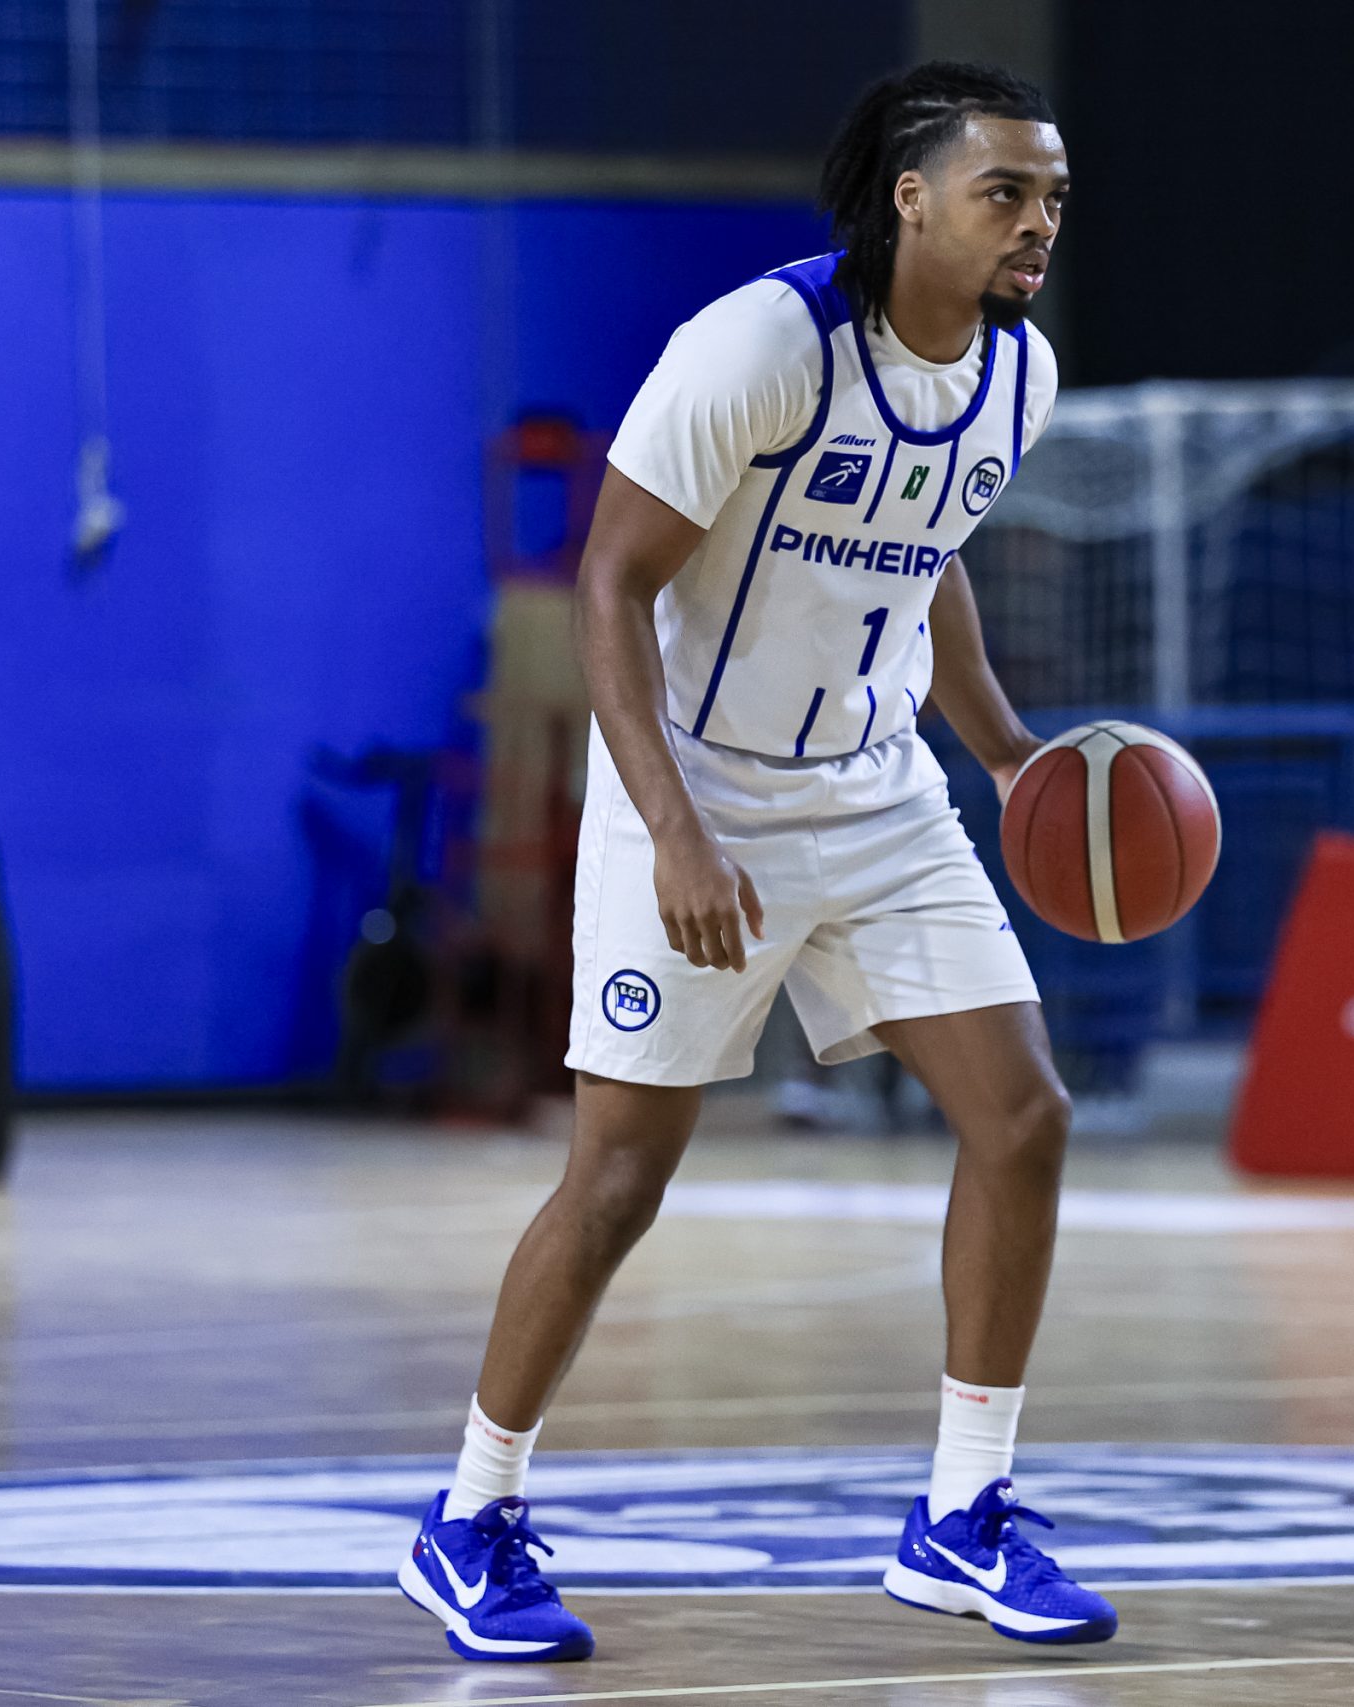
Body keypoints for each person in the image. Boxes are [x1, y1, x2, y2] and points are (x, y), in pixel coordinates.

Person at [397, 61, 1119, 1662]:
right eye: (1007, 192)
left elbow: (927, 560)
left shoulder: (1019, 374)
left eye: (1055, 197)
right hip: (698, 788)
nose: (1039, 223)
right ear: (912, 198)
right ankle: (468, 1518)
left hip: (879, 794)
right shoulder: (760, 347)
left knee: (1024, 1119)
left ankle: (964, 1515)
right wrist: (671, 828)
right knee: (619, 1180)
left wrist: (1007, 752)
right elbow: (608, 581)